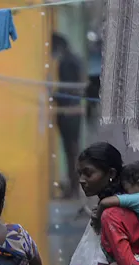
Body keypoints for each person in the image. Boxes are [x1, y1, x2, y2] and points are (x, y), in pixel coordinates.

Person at [52, 33, 84, 199]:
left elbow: (69, 89)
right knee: (73, 152)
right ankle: (74, 189)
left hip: (68, 113)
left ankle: (73, 190)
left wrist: (54, 96)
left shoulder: (66, 62)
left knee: (70, 152)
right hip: (74, 112)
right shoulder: (75, 59)